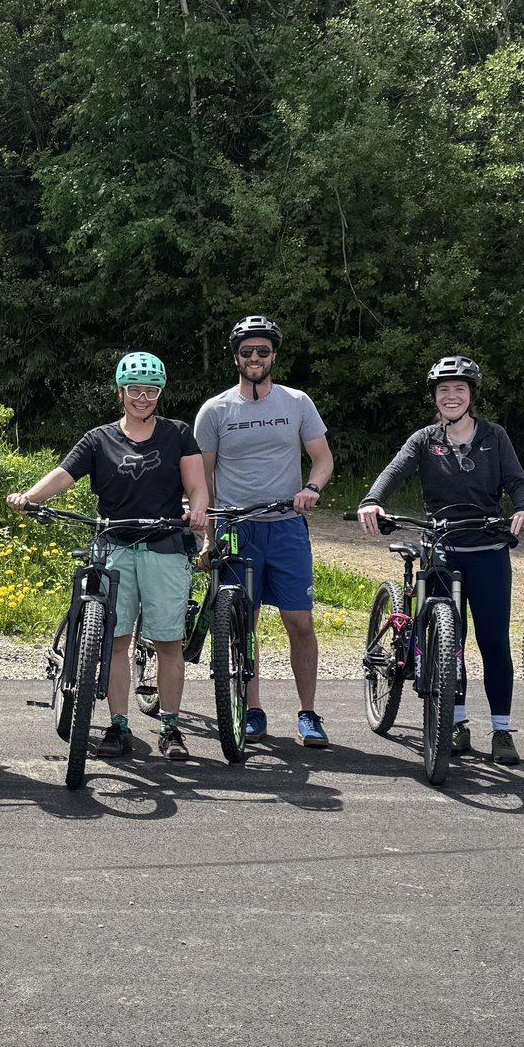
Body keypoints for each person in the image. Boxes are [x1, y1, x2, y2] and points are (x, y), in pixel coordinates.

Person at [8, 352, 210, 762]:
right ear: (120, 392)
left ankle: (170, 727)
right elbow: (63, 476)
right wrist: (29, 497)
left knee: (168, 641)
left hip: (166, 547)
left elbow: (196, 483)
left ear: (159, 393)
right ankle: (118, 726)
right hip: (114, 546)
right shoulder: (99, 439)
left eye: (151, 390)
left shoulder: (178, 433)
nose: (143, 397)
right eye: (135, 389)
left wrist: (200, 509)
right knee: (116, 643)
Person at [357, 356, 524, 763]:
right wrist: (373, 500)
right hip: (442, 549)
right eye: (444, 390)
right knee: (447, 642)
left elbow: (518, 482)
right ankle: (455, 722)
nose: (451, 396)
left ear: (472, 395)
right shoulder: (424, 439)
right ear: (435, 399)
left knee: (493, 642)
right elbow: (394, 471)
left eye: (459, 389)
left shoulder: (495, 436)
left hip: (488, 550)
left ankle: (502, 730)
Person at [192, 315, 335, 748]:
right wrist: (207, 537)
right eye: (247, 352)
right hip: (238, 528)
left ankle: (308, 713)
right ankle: (252, 708)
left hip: (287, 526)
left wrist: (311, 488)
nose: (255, 358)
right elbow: (205, 480)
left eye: (263, 351)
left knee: (300, 622)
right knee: (242, 621)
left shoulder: (297, 402)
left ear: (274, 355)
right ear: (235, 358)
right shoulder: (215, 410)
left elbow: (323, 459)